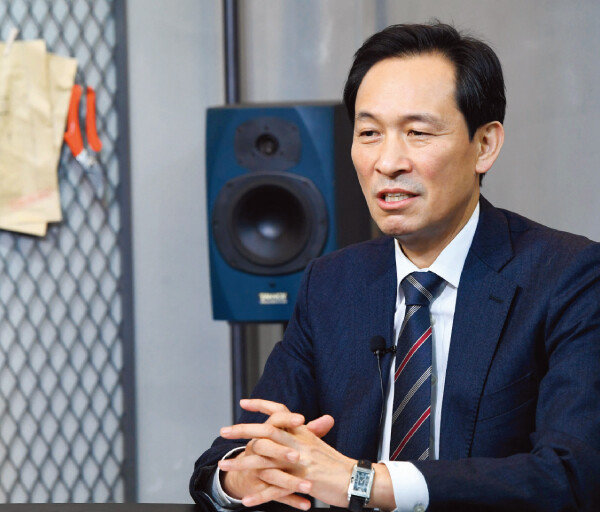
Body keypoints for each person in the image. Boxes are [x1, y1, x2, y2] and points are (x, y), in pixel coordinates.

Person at [190, 22, 600, 511]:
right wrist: (244, 476)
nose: (387, 162)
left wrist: (362, 482)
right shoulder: (332, 284)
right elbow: (225, 462)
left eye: (417, 133)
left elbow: (569, 476)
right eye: (369, 133)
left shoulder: (569, 276)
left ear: (485, 145)